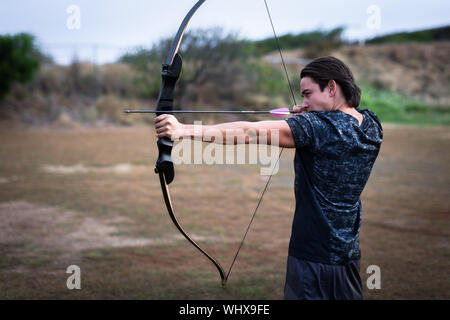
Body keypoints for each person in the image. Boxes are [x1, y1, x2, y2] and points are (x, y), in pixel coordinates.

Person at [154, 56, 383, 300]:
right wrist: (307, 118)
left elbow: (249, 133)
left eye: (307, 94)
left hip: (312, 257)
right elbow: (336, 130)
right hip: (348, 256)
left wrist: (183, 130)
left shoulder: (316, 127)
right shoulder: (371, 126)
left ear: (331, 87)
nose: (303, 102)